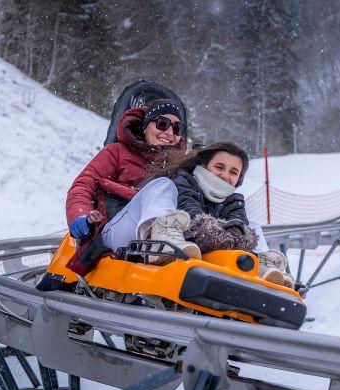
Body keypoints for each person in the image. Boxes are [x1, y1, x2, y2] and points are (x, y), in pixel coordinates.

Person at [100, 142, 295, 288]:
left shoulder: (232, 200)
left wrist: (242, 242)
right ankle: (162, 236)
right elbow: (191, 213)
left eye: (234, 172)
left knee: (251, 227)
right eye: (219, 167)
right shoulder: (184, 181)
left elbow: (240, 229)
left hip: (185, 244)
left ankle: (260, 265)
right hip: (123, 236)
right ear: (203, 166)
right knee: (162, 186)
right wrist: (222, 235)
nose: (226, 175)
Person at [62, 99, 187, 274]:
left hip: (149, 238)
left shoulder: (179, 168)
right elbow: (84, 185)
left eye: (176, 128)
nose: (168, 132)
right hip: (112, 231)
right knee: (163, 186)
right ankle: (164, 242)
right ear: (145, 126)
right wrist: (80, 214)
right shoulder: (117, 152)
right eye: (162, 123)